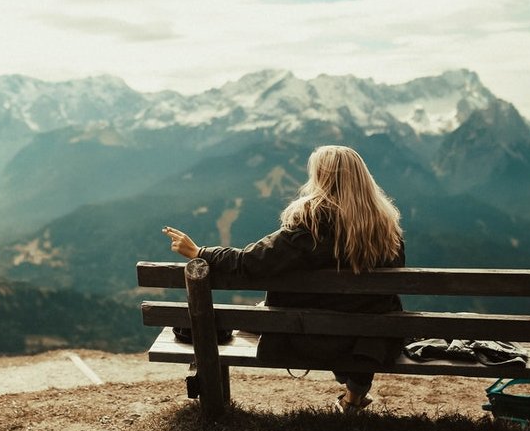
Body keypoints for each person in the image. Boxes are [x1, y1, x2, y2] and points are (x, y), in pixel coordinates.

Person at [162, 144, 405, 413]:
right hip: (367, 341)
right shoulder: (387, 229)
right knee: (359, 318)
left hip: (306, 336)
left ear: (321, 179)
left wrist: (200, 252)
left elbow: (250, 262)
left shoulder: (310, 224)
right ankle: (354, 397)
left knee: (247, 319)